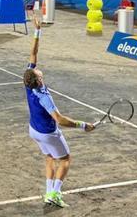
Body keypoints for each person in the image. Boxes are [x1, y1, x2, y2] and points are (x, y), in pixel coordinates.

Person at [23, 15, 93, 208]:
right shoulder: (43, 96)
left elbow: (33, 55)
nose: (39, 71)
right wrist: (83, 125)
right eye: (38, 73)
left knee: (49, 157)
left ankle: (48, 193)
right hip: (47, 133)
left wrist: (37, 31)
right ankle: (56, 193)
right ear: (38, 80)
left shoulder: (28, 82)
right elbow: (59, 119)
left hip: (33, 130)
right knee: (65, 159)